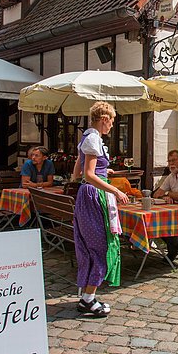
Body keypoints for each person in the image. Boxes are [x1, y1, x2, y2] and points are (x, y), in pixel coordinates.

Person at [71, 102, 130, 317]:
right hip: (94, 196)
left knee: (91, 245)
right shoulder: (94, 138)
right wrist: (114, 190)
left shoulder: (87, 138)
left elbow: (76, 174)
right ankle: (87, 299)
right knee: (101, 245)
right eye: (112, 121)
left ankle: (87, 295)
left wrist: (105, 169)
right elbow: (88, 175)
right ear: (104, 119)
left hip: (86, 196)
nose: (112, 126)